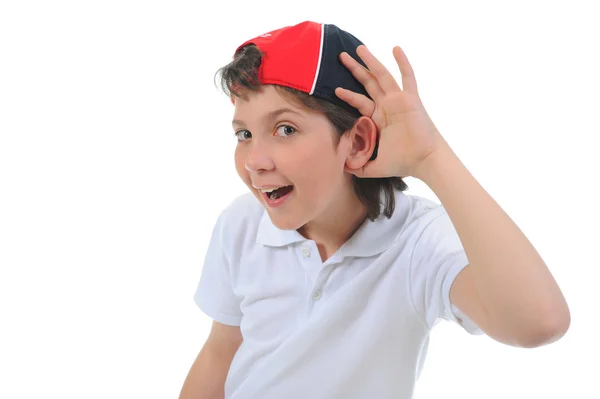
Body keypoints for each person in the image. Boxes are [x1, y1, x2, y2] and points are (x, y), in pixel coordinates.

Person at [179, 20, 570, 399]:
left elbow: (539, 322)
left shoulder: (418, 242)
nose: (254, 161)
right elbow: (220, 353)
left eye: (285, 129)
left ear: (358, 141)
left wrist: (431, 156)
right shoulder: (242, 224)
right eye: (243, 134)